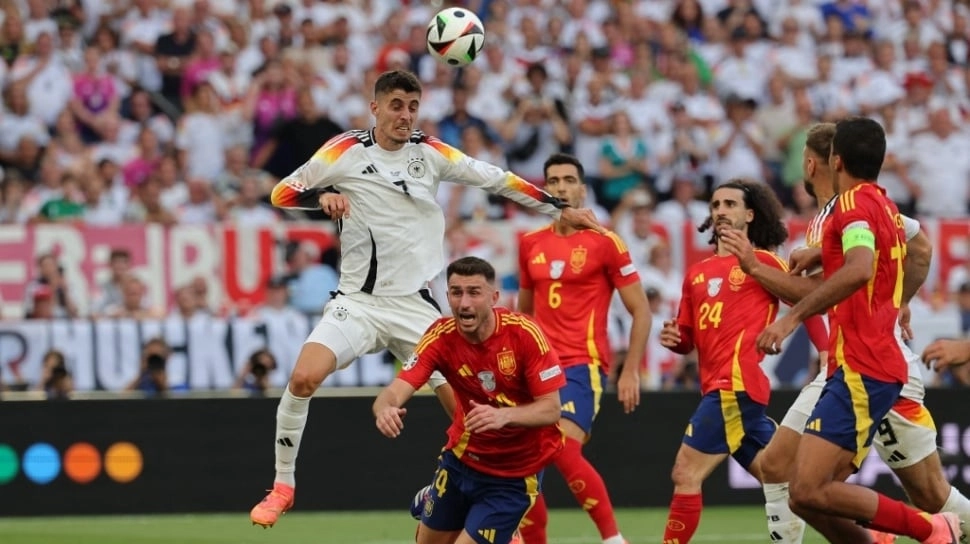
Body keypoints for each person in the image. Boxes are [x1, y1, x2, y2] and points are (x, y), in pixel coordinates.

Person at [250, 70, 602, 528]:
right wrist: (325, 197)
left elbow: (495, 179)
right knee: (302, 378)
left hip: (417, 307)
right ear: (375, 107)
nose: (405, 115)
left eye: (413, 107)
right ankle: (282, 486)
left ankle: (481, 501)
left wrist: (559, 207)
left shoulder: (431, 152)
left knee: (468, 414)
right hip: (357, 301)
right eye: (396, 105)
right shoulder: (344, 150)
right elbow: (281, 192)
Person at [723, 122, 970, 543]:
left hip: (865, 364)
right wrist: (895, 299)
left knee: (817, 485)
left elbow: (853, 271)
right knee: (794, 479)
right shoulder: (884, 205)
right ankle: (913, 532)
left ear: (827, 161)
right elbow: (919, 249)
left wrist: (768, 285)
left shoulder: (846, 208)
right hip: (860, 362)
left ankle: (931, 531)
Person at [373, 256, 565, 544]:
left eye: (474, 292)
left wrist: (505, 416)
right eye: (456, 292)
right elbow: (394, 391)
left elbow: (551, 409)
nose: (464, 303)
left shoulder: (524, 334)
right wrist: (384, 409)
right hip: (461, 463)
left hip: (514, 476)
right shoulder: (440, 336)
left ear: (494, 297)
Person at [514, 153, 650, 544]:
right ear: (544, 190)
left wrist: (630, 370)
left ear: (582, 188)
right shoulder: (530, 244)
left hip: (580, 365)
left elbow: (640, 311)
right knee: (525, 472)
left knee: (561, 446)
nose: (560, 187)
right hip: (535, 371)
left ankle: (613, 539)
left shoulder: (605, 242)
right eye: (553, 180)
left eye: (568, 180)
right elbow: (524, 314)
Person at [659, 178, 794, 544]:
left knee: (685, 473)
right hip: (718, 386)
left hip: (735, 385)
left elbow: (806, 303)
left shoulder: (762, 262)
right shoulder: (696, 273)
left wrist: (825, 349)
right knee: (792, 484)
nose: (720, 210)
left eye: (730, 204)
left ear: (749, 215)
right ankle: (879, 537)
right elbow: (687, 337)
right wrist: (675, 339)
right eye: (716, 204)